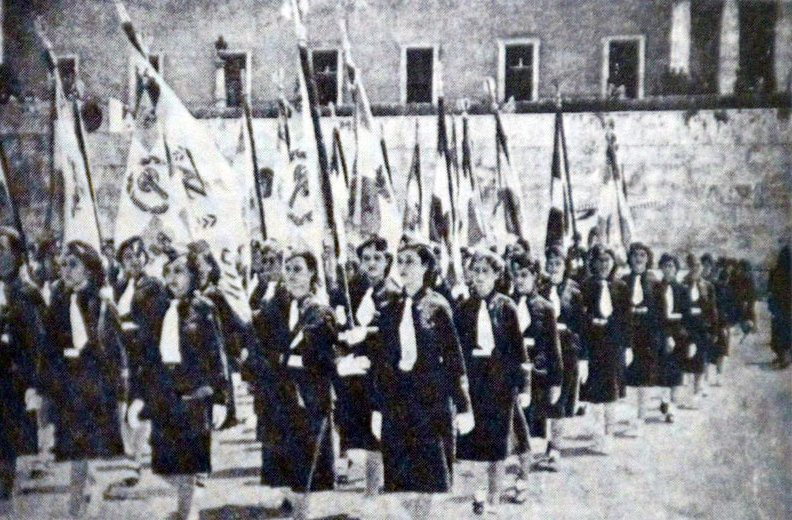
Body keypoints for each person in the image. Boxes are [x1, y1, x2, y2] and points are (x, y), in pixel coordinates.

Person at [362, 240, 473, 520]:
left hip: (430, 401)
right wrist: (377, 407)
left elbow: (454, 359)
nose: (403, 267)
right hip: (397, 401)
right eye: (400, 262)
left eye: (410, 261)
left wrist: (463, 406)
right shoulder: (389, 308)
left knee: (428, 478)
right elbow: (382, 363)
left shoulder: (438, 306)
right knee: (399, 477)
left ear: (425, 266)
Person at [126, 249, 228, 520]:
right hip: (164, 393)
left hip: (194, 394)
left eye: (179, 272)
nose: (172, 278)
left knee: (190, 463)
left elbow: (217, 355)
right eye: (168, 272)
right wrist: (137, 397)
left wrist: (220, 398)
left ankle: (187, 512)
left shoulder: (204, 308)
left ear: (193, 275)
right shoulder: (157, 308)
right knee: (164, 463)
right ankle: (187, 504)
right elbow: (146, 356)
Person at [250, 248, 338, 520]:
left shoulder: (320, 312)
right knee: (283, 466)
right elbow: (257, 343)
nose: (291, 275)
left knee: (305, 467)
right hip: (278, 397)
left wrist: (283, 359)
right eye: (287, 269)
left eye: (298, 269)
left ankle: (302, 514)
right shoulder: (274, 309)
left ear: (312, 273)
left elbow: (321, 358)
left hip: (308, 399)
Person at [43, 241, 126, 518]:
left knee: (89, 449)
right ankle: (82, 500)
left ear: (89, 269)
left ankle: (81, 503)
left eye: (72, 264)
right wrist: (46, 387)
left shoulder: (101, 304)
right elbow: (49, 347)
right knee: (76, 451)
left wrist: (121, 392)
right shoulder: (58, 303)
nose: (65, 270)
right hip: (69, 386)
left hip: (95, 386)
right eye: (62, 265)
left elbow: (116, 351)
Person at [455, 249, 530, 515]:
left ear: (497, 275)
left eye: (485, 272)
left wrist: (524, 386)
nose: (479, 277)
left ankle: (494, 498)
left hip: (501, 384)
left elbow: (519, 350)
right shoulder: (463, 309)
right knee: (475, 443)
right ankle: (478, 495)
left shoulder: (506, 307)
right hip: (475, 383)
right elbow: (457, 351)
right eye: (475, 271)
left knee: (498, 444)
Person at [332, 236, 390, 496]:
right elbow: (338, 330)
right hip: (355, 372)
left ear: (387, 261)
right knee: (359, 431)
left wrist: (369, 335)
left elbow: (394, 335)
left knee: (378, 429)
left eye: (377, 258)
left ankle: (373, 488)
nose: (372, 264)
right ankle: (366, 480)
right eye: (366, 259)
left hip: (382, 372)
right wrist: (343, 352)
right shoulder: (349, 291)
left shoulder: (393, 294)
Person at [111, 236, 169, 487]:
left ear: (146, 257)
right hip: (124, 356)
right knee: (127, 408)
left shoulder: (153, 285)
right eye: (128, 257)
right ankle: (135, 460)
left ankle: (136, 463)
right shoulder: (120, 286)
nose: (134, 260)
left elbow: (155, 322)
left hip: (146, 356)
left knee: (140, 408)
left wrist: (130, 329)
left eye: (138, 255)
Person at [0, 228, 48, 517]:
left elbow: (39, 344)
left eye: (2, 249)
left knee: (6, 455)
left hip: (12, 383)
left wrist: (34, 384)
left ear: (17, 255)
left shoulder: (27, 294)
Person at [510, 254, 562, 472]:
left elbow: (554, 348)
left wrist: (556, 381)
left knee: (537, 419)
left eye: (524, 275)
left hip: (538, 372)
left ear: (535, 276)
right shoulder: (506, 305)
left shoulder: (545, 307)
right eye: (515, 275)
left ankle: (532, 464)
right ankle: (520, 460)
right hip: (514, 372)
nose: (519, 280)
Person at [580, 245, 631, 454]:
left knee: (611, 393)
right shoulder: (586, 286)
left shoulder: (621, 287)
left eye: (607, 260)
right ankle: (597, 434)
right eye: (599, 260)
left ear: (613, 263)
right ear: (593, 263)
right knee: (594, 395)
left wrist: (628, 346)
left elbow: (627, 320)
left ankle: (609, 435)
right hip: (593, 347)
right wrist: (582, 355)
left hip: (614, 346)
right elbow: (581, 320)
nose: (603, 265)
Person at [539, 246, 586, 444]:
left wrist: (583, 358)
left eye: (558, 263)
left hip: (567, 350)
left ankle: (555, 446)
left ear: (565, 265)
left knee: (561, 400)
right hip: (546, 351)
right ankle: (544, 441)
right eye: (550, 263)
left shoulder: (574, 291)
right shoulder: (540, 290)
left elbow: (582, 326)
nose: (554, 268)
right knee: (545, 397)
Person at [623, 243, 662, 433]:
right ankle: (632, 417)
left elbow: (660, 312)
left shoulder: (655, 282)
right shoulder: (623, 282)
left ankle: (640, 417)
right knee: (630, 379)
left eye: (642, 255)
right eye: (635, 255)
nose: (638, 259)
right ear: (630, 259)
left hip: (647, 337)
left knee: (645, 380)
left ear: (648, 259)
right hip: (629, 336)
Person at [682, 253, 717, 407]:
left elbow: (712, 309)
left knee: (700, 360)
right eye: (692, 266)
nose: (695, 268)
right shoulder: (683, 284)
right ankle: (688, 392)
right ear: (688, 267)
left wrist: (714, 330)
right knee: (687, 360)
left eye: (698, 265)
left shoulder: (708, 286)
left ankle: (696, 393)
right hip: (687, 328)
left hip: (702, 328)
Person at [702, 254, 733, 385]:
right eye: (704, 265)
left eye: (709, 265)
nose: (706, 268)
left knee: (721, 349)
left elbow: (728, 304)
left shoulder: (720, 285)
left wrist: (727, 322)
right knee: (706, 349)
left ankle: (718, 376)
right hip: (706, 320)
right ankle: (705, 377)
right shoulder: (699, 283)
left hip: (720, 320)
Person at [768, 244, 791, 368]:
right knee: (786, 332)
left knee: (779, 332)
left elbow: (770, 290)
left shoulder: (775, 272)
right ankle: (785, 357)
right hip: (787, 307)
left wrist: (772, 306)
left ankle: (782, 357)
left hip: (779, 307)